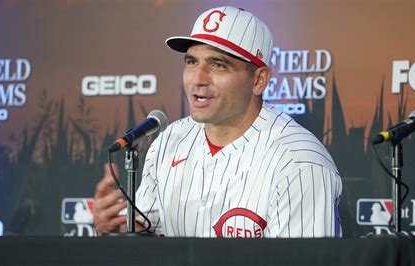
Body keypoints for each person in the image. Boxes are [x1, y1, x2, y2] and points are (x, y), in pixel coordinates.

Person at [94, 6, 342, 238]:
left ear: (259, 80)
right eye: (192, 62)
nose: (198, 79)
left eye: (218, 65)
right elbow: (149, 235)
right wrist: (117, 230)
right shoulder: (170, 140)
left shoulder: (299, 161)